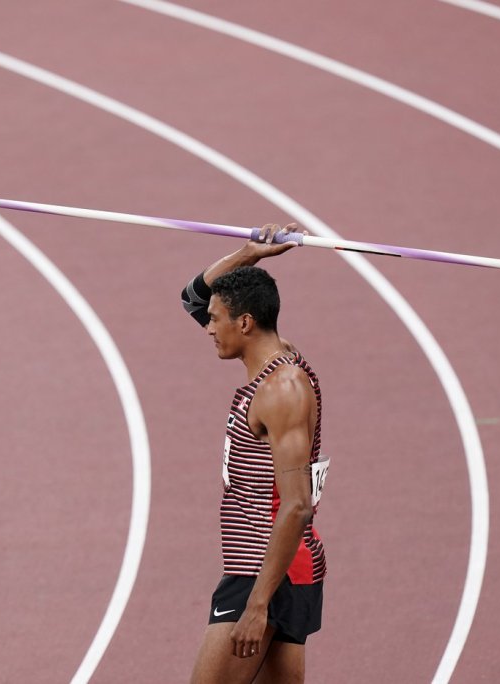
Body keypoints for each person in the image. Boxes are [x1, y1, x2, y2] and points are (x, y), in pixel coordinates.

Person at [180, 224, 327, 684]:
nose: (208, 327)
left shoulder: (282, 390)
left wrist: (257, 604)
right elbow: (192, 297)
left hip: (266, 571)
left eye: (216, 320)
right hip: (275, 566)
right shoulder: (275, 362)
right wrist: (250, 254)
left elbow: (297, 504)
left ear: (244, 323)